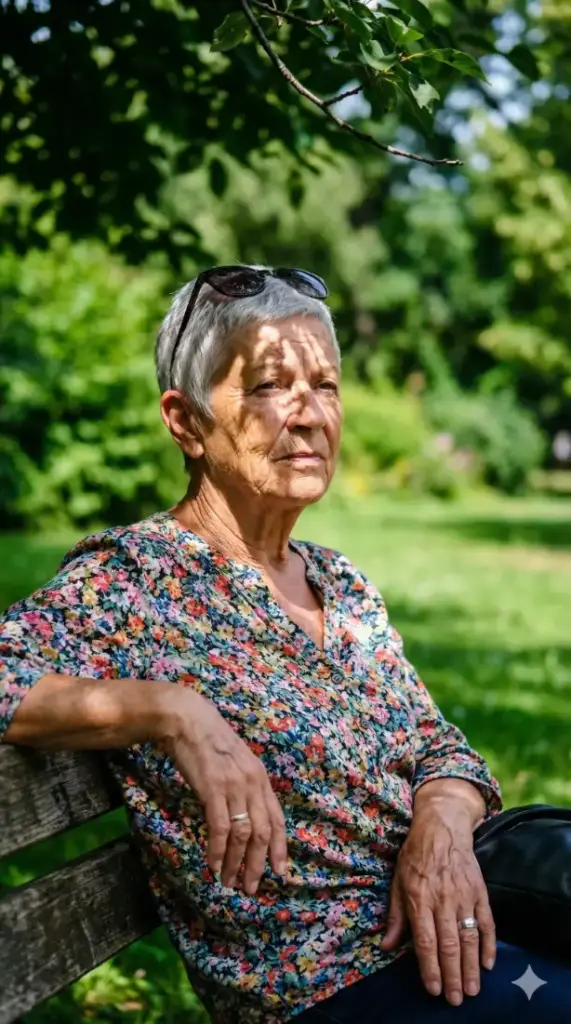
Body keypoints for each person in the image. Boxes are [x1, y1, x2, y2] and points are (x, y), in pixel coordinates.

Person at [1, 265, 570, 1024]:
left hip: (460, 936)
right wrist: (171, 712)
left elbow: (442, 747)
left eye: (325, 386)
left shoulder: (340, 583)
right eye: (269, 386)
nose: (306, 415)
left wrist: (438, 823)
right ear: (185, 420)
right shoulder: (134, 582)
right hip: (331, 987)